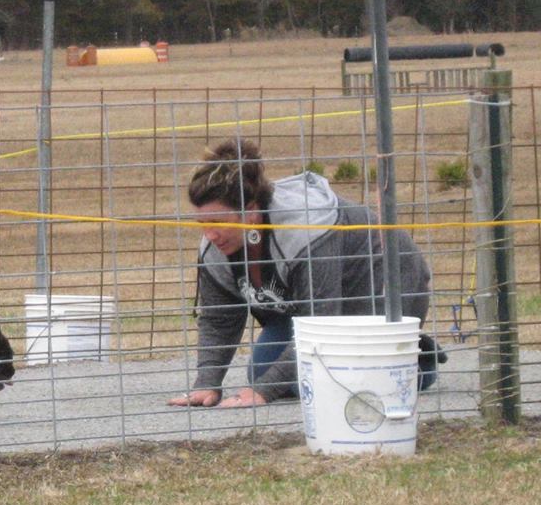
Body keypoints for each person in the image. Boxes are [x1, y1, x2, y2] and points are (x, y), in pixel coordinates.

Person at [167, 137, 445, 409]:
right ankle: (376, 362)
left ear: (250, 212)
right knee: (263, 369)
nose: (209, 234)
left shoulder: (307, 231)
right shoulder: (214, 247)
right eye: (201, 223)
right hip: (314, 310)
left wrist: (264, 391)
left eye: (217, 222)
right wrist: (207, 383)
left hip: (380, 290)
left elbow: (321, 321)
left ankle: (411, 362)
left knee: (324, 384)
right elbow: (219, 320)